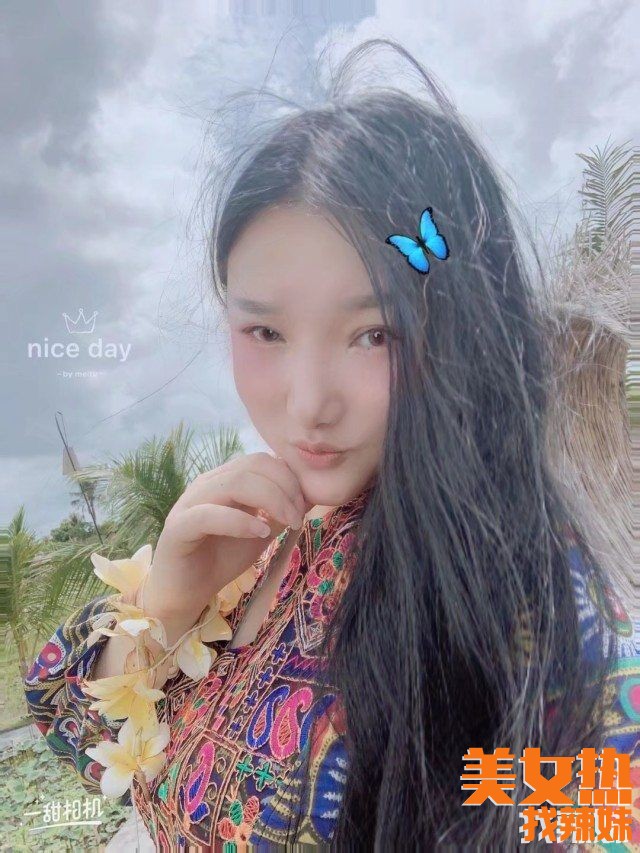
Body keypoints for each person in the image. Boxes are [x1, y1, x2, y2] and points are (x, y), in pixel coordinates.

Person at [23, 38, 639, 850]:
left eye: (374, 333)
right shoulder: (251, 538)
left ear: (463, 328)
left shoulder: (523, 600)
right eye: (266, 331)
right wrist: (167, 601)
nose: (309, 404)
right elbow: (77, 730)